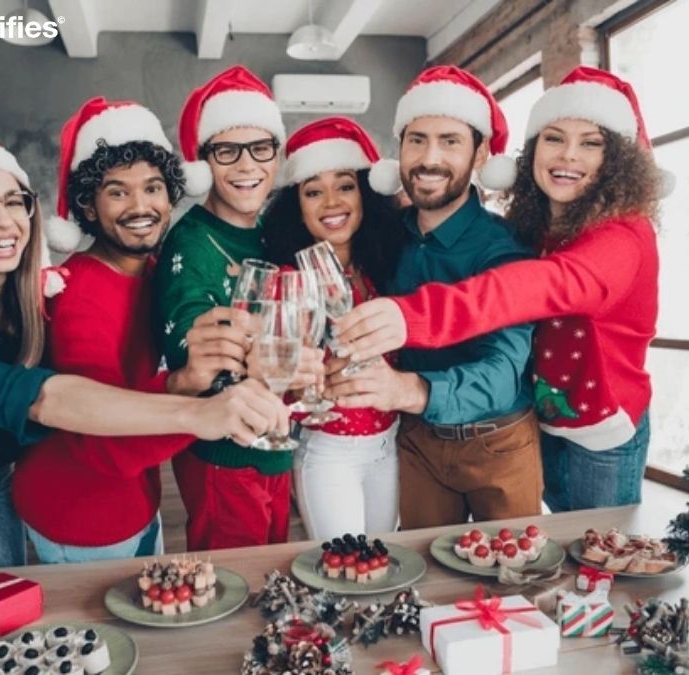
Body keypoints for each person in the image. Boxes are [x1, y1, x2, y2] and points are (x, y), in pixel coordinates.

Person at [0, 132, 289, 575]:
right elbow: (47, 400)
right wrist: (194, 407)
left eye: (14, 201)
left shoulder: (32, 292)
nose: (3, 220)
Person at [333, 66, 665, 512]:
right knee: (552, 559)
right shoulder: (539, 225)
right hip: (547, 419)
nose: (568, 156)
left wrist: (411, 318)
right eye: (553, 138)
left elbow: (543, 285)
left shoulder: (623, 235)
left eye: (591, 143)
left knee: (597, 562)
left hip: (604, 430)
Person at [11, 98, 259, 563]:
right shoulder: (79, 293)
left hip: (133, 498)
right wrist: (196, 395)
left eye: (152, 188)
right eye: (118, 192)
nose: (141, 206)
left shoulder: (152, 271)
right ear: (88, 202)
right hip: (82, 512)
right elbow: (100, 445)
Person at [324, 66, 542, 528]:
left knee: (512, 584)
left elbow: (503, 373)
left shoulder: (505, 250)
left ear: (481, 153)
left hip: (497, 444)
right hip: (415, 442)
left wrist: (407, 388)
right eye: (417, 140)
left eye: (450, 141)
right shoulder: (385, 237)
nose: (429, 158)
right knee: (424, 579)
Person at [155, 65, 320, 551]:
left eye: (261, 148)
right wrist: (268, 353)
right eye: (227, 150)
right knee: (233, 585)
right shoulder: (189, 242)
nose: (247, 165)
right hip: (222, 453)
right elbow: (187, 348)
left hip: (276, 442)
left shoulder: (275, 231)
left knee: (268, 573)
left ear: (277, 155)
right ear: (205, 162)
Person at [263, 116, 405, 539]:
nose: (331, 202)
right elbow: (276, 383)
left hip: (392, 446)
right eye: (312, 191)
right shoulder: (289, 280)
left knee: (381, 563)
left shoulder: (385, 264)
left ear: (364, 194)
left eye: (344, 185)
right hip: (330, 453)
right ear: (297, 205)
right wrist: (306, 383)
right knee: (341, 572)